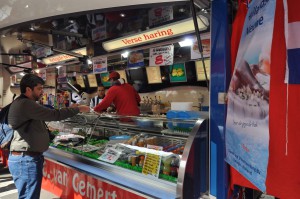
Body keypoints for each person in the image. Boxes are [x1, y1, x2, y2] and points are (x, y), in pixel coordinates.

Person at [7, 74, 90, 199]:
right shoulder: (26, 104)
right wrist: (78, 109)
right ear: (29, 89)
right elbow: (54, 115)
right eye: (39, 89)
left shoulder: (22, 103)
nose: (42, 92)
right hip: (26, 160)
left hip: (25, 158)